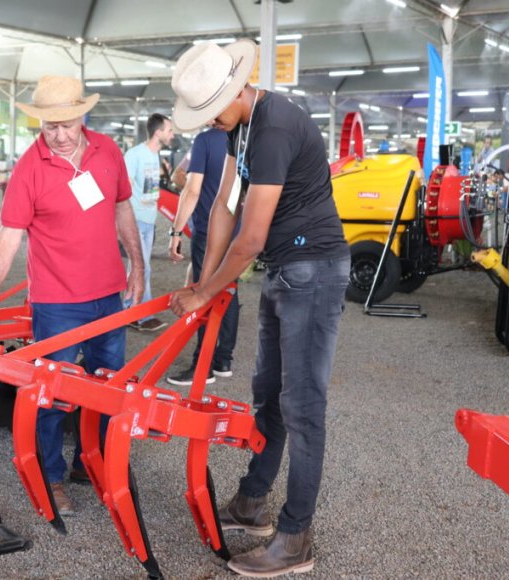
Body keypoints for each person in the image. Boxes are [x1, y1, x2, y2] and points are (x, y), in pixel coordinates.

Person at [168, 40, 349, 577]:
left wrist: (206, 292)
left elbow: (250, 236)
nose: (210, 122)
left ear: (233, 91)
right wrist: (203, 282)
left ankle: (296, 538)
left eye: (210, 111)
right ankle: (252, 502)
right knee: (267, 391)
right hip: (285, 269)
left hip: (312, 270)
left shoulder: (273, 126)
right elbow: (224, 206)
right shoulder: (239, 126)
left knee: (303, 404)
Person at [0, 75, 143, 517]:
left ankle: (92, 462)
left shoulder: (107, 151)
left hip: (108, 298)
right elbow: (8, 236)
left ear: (83, 115)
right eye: (49, 127)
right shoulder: (30, 167)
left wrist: (137, 264)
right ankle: (51, 474)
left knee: (108, 384)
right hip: (57, 303)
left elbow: (121, 206)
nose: (59, 136)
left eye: (67, 124)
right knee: (52, 393)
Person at [166, 128, 239, 386]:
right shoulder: (246, 137)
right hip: (237, 232)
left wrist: (176, 230)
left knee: (203, 292)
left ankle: (203, 365)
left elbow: (192, 190)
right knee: (229, 291)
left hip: (210, 232)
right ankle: (223, 360)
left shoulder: (206, 140)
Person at [123, 113, 175, 332]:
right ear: (158, 132)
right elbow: (124, 189)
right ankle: (142, 316)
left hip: (149, 220)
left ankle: (129, 310)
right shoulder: (135, 155)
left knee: (138, 266)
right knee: (143, 267)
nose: (172, 135)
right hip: (135, 219)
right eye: (170, 130)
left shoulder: (156, 156)